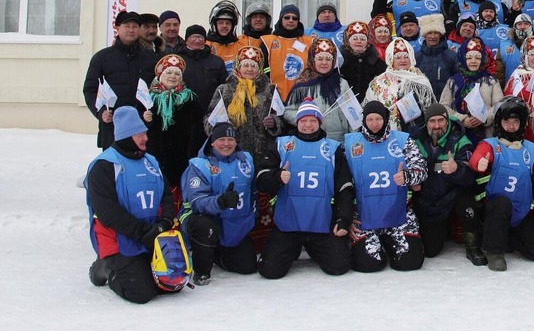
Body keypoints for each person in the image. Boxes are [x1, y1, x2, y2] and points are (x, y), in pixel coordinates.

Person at [255, 99, 354, 278]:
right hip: (288, 225)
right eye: (303, 121)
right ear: (297, 122)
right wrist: (276, 177)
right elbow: (262, 179)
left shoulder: (332, 149)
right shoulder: (282, 145)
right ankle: (291, 249)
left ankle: (313, 248)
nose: (308, 125)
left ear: (319, 123)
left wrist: (343, 219)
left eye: (313, 121)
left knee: (339, 267)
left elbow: (344, 187)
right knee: (270, 271)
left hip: (320, 225)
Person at [85, 106, 174, 304]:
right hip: (119, 238)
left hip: (151, 236)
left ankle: (138, 266)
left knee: (171, 283)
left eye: (144, 133)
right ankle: (106, 268)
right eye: (139, 135)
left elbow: (166, 195)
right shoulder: (104, 166)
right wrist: (142, 232)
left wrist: (164, 223)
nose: (145, 139)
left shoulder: (151, 161)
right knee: (141, 293)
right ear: (125, 136)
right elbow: (107, 212)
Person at [346, 101, 429, 272]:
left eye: (378, 119)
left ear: (385, 119)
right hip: (364, 215)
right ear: (363, 120)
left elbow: (421, 169)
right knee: (368, 265)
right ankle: (377, 241)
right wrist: (345, 217)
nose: (374, 124)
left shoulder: (402, 140)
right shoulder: (350, 144)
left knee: (410, 263)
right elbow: (339, 182)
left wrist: (407, 176)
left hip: (398, 212)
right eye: (370, 119)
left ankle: (390, 239)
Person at [468, 97, 534, 271]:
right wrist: (479, 163)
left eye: (516, 121)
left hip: (521, 212)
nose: (512, 126)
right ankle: (494, 251)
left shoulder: (532, 150)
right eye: (507, 121)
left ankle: (507, 237)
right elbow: (477, 156)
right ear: (499, 123)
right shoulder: (490, 145)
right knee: (501, 203)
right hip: (495, 210)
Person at [179, 123, 258, 285]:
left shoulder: (247, 161)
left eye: (231, 139)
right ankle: (201, 271)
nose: (226, 144)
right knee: (205, 226)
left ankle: (217, 255)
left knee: (248, 266)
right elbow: (196, 202)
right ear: (212, 142)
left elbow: (254, 190)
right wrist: (220, 202)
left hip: (235, 224)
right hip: (208, 223)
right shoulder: (199, 165)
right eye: (221, 139)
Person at [410, 103, 481, 264]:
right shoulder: (416, 141)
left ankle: (473, 246)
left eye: (440, 120)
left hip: (454, 194)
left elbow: (471, 178)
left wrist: (457, 169)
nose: (436, 126)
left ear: (447, 121)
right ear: (426, 123)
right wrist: (411, 182)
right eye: (432, 121)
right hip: (429, 198)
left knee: (468, 205)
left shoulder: (460, 141)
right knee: (430, 251)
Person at [82, 10, 157, 149]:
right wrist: (101, 112)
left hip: (143, 125)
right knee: (114, 167)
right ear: (117, 28)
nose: (131, 30)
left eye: (135, 26)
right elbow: (91, 90)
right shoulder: (102, 58)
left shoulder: (150, 58)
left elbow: (157, 89)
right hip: (113, 126)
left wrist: (150, 113)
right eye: (127, 26)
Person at [204, 46, 280, 159]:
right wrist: (220, 127)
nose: (249, 69)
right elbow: (209, 119)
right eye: (245, 65)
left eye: (254, 66)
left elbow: (280, 116)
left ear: (259, 68)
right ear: (238, 67)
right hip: (231, 152)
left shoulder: (270, 90)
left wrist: (274, 123)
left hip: (263, 153)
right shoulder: (224, 90)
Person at [144, 53, 203, 190]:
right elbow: (137, 127)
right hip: (154, 153)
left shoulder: (189, 98)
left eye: (177, 74)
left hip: (181, 154)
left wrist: (192, 152)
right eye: (169, 72)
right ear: (160, 75)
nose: (173, 76)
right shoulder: (147, 98)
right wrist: (144, 118)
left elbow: (198, 127)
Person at [283, 38, 355, 143]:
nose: (324, 63)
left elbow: (353, 114)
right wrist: (306, 117)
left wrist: (351, 140)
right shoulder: (302, 85)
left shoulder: (342, 84)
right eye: (320, 59)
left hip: (338, 141)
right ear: (312, 60)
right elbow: (288, 112)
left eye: (328, 59)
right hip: (309, 140)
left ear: (334, 61)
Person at [362, 37, 436, 132]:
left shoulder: (421, 80)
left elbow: (430, 108)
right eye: (398, 57)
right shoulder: (378, 82)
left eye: (406, 56)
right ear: (390, 59)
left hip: (416, 132)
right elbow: (367, 109)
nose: (403, 60)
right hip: (384, 133)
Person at [439, 37, 504, 140]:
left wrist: (484, 117)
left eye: (477, 58)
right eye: (469, 58)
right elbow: (443, 106)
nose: (473, 61)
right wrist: (462, 119)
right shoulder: (453, 81)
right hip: (458, 135)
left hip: (486, 135)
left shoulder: (491, 81)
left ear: (483, 59)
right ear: (463, 59)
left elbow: (499, 105)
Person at [260, 5, 315, 102]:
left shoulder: (309, 42)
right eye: (287, 17)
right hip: (273, 97)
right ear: (281, 19)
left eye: (294, 18)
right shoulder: (268, 41)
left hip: (302, 97)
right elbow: (262, 68)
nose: (291, 20)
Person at [179, 23, 228, 114]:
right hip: (183, 112)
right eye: (194, 37)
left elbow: (224, 87)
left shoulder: (216, 61)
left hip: (210, 111)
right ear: (186, 39)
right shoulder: (178, 60)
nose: (197, 40)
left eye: (200, 37)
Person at [339, 20, 387, 103]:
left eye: (362, 38)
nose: (359, 41)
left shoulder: (378, 64)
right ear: (347, 40)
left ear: (368, 41)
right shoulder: (340, 63)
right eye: (355, 38)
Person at [206, 0, 260, 74]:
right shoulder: (206, 46)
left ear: (233, 26)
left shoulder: (242, 46)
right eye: (221, 23)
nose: (224, 26)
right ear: (214, 25)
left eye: (228, 23)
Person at [415, 13, 458, 101]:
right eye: (429, 33)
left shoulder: (451, 57)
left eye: (436, 33)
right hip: (422, 106)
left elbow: (458, 82)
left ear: (441, 34)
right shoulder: (416, 57)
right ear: (424, 35)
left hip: (446, 105)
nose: (433, 36)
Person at [495, 12, 534, 85]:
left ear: (531, 26)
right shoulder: (504, 47)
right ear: (515, 27)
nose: (522, 27)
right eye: (519, 24)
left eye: (526, 24)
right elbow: (499, 74)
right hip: (510, 90)